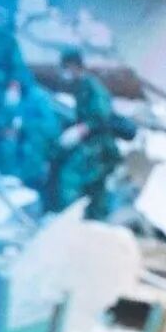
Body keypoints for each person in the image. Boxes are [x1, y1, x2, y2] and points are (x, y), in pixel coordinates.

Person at [51, 48, 121, 220]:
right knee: (96, 188)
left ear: (74, 65)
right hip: (98, 146)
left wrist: (83, 129)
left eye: (66, 67)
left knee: (70, 178)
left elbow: (102, 116)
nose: (65, 73)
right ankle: (96, 223)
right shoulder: (83, 86)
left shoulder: (91, 86)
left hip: (98, 146)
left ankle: (69, 220)